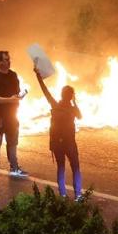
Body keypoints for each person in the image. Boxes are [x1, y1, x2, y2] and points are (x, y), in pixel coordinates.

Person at [35, 67, 82, 199]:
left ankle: (62, 194)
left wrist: (38, 76)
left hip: (57, 143)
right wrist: (74, 101)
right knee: (75, 168)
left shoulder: (55, 105)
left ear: (61, 95)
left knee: (61, 167)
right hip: (70, 144)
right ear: (71, 96)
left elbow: (45, 90)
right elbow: (80, 116)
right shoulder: (72, 109)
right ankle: (78, 194)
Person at [0, 50, 27, 177]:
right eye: (6, 59)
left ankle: (14, 167)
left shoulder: (13, 75)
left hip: (12, 118)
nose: (9, 62)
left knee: (13, 143)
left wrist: (19, 97)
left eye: (9, 59)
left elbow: (16, 93)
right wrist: (10, 99)